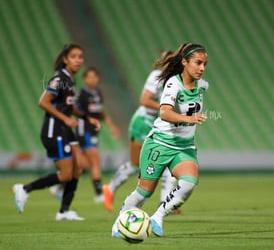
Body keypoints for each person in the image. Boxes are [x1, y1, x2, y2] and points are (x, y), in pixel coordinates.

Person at [111, 43, 208, 237]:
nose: (202, 68)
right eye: (198, 63)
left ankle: (158, 217)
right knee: (144, 192)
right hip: (160, 143)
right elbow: (164, 113)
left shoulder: (203, 86)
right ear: (184, 62)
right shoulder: (173, 83)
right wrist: (189, 119)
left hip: (184, 147)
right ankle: (119, 223)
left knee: (189, 182)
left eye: (205, 64)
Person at [13, 44, 100, 221]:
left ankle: (64, 212)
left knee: (79, 167)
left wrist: (86, 118)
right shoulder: (59, 79)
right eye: (74, 56)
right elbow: (43, 102)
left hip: (65, 130)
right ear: (65, 59)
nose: (78, 60)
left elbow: (70, 106)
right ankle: (24, 189)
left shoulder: (71, 80)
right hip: (54, 130)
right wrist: (66, 119)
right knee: (67, 174)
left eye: (80, 57)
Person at [102, 51, 178, 213]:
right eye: (170, 62)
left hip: (158, 124)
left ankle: (166, 203)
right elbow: (144, 100)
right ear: (164, 63)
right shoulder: (156, 76)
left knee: (166, 163)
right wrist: (165, 109)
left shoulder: (175, 81)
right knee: (135, 164)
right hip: (143, 123)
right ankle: (110, 189)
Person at [76, 67, 120, 202]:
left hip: (94, 132)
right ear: (84, 79)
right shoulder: (82, 94)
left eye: (95, 76)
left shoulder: (98, 93)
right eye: (89, 77)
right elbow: (75, 111)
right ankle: (99, 194)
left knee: (83, 165)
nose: (92, 79)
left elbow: (101, 112)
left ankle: (60, 185)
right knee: (95, 162)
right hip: (85, 131)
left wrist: (111, 126)